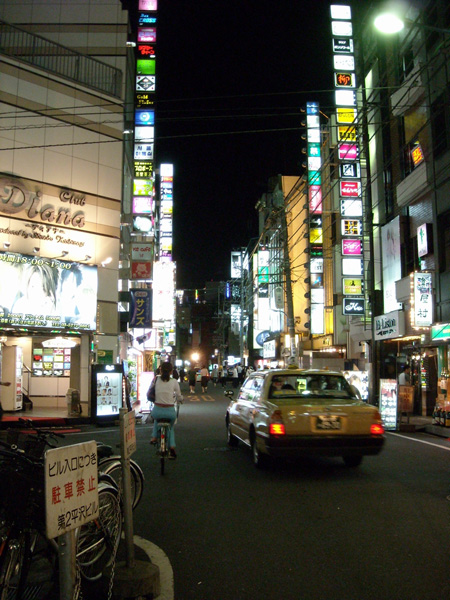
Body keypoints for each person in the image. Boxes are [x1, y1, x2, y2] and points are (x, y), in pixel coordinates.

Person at [150, 362, 183, 458]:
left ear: (160, 370)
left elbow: (150, 390)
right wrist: (181, 400)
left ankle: (154, 437)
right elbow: (179, 395)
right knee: (170, 427)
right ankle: (172, 446)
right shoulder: (174, 381)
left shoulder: (156, 379)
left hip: (157, 410)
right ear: (171, 371)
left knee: (156, 419)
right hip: (170, 412)